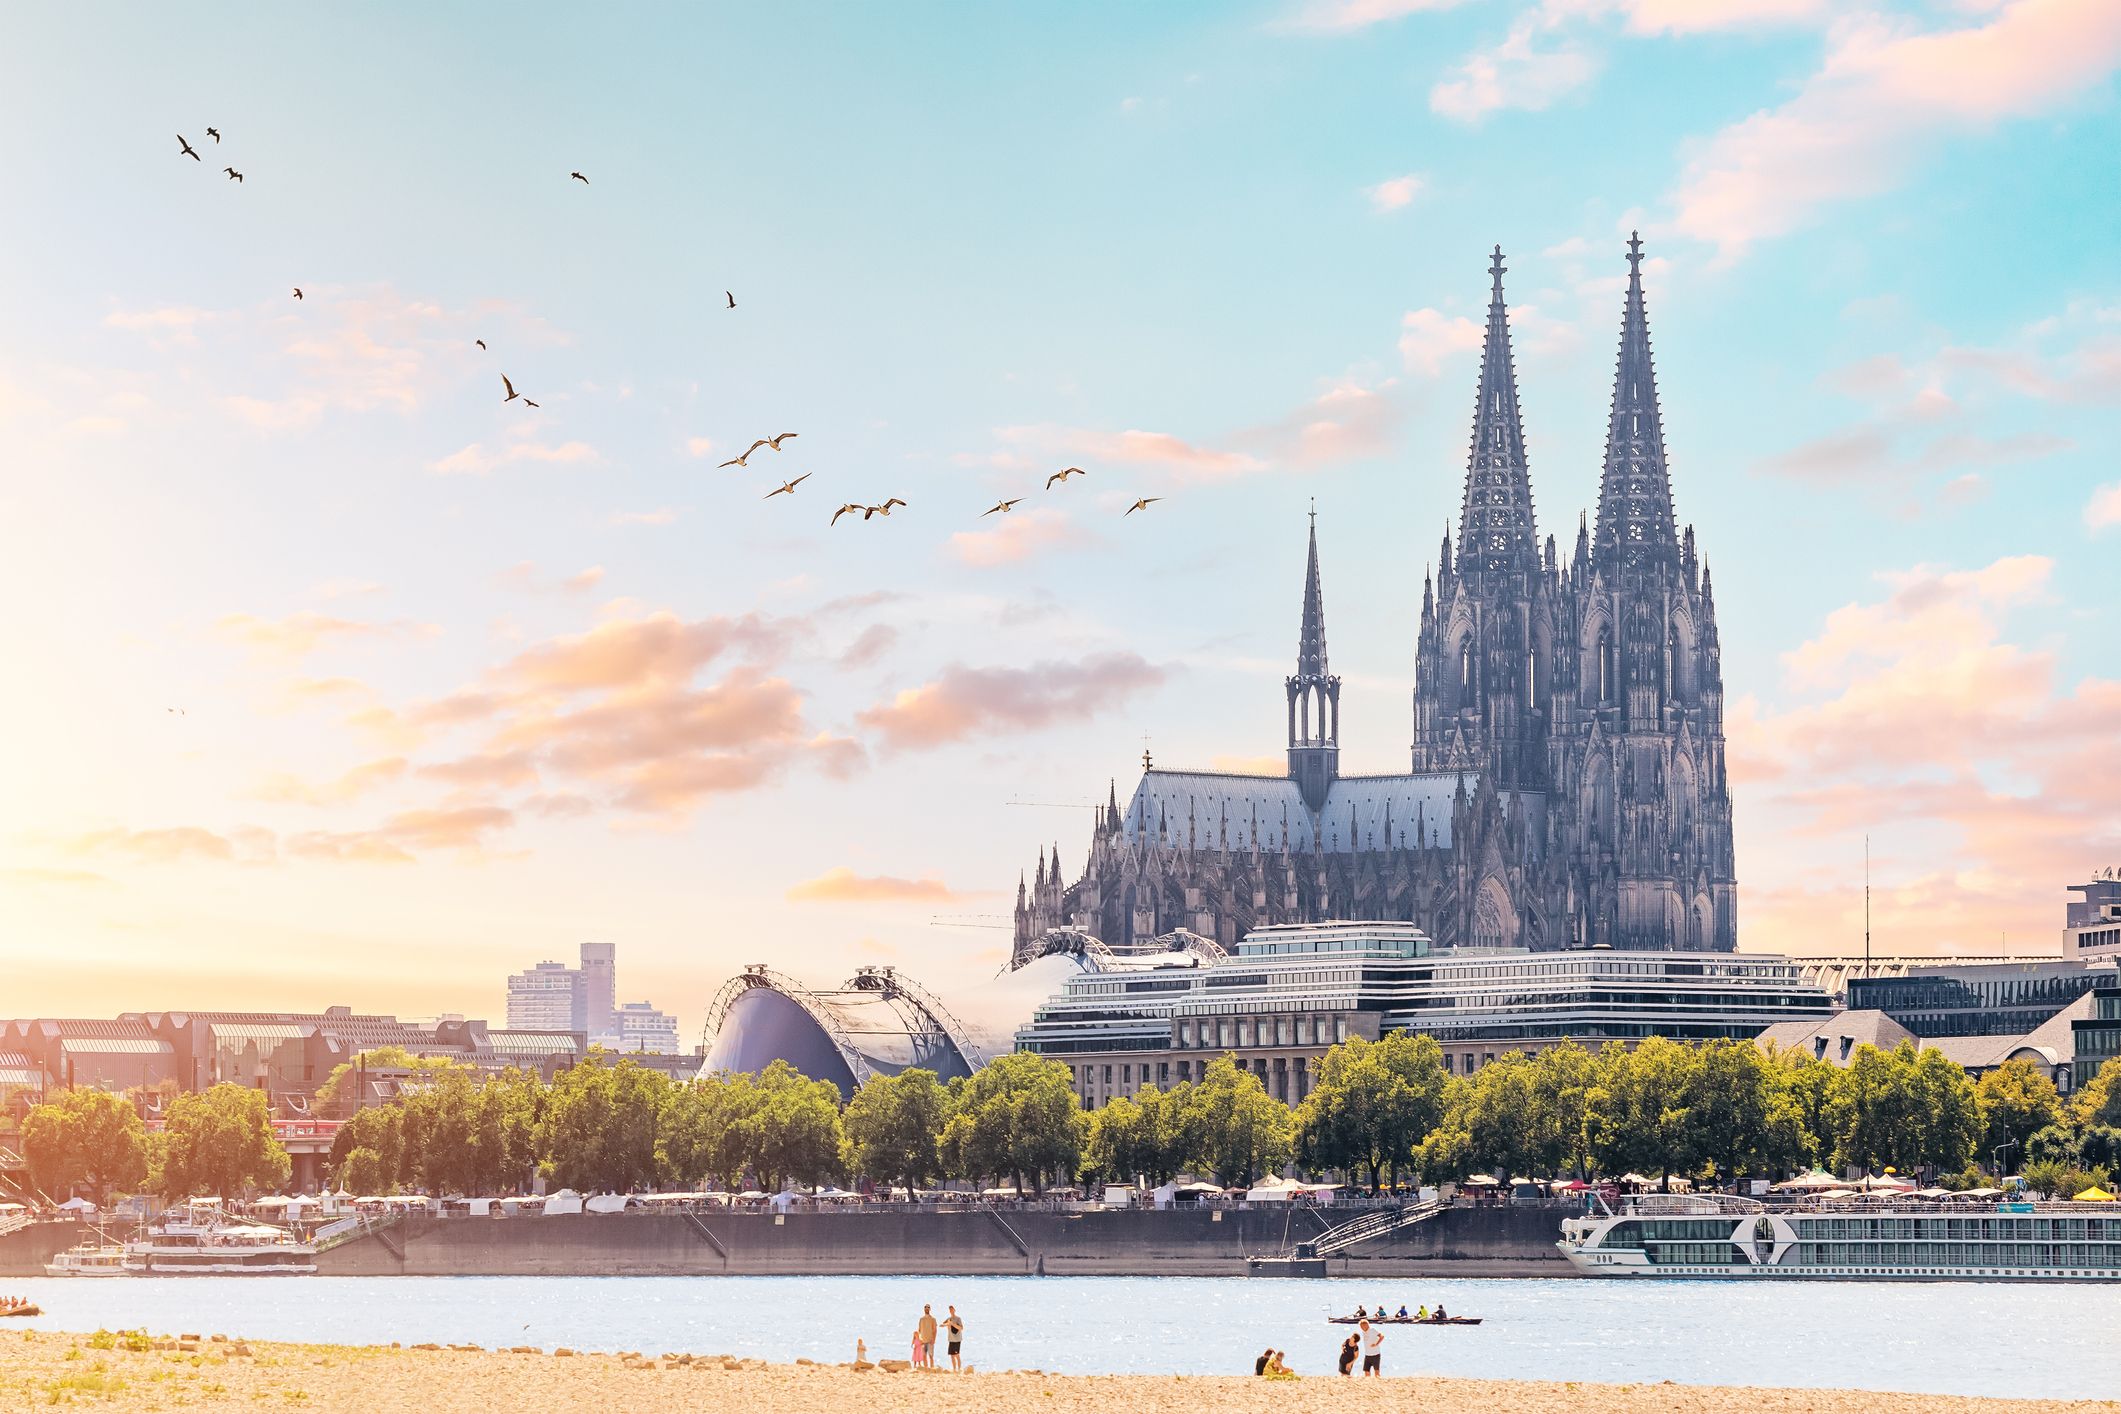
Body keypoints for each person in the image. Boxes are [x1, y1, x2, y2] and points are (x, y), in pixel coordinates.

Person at [917, 1304, 938, 1369]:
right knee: (924, 1356)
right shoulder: (921, 1319)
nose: (927, 1308)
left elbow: (935, 1330)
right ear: (924, 1309)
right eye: (925, 1307)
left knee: (931, 1356)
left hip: (930, 1340)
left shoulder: (933, 1319)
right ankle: (926, 1369)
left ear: (930, 1309)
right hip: (923, 1341)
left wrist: (933, 1340)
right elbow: (919, 1330)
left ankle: (931, 1369)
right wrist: (919, 1339)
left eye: (928, 1307)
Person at [944, 1305, 964, 1373]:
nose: (951, 1310)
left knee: (957, 1355)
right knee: (952, 1356)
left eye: (952, 1309)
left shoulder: (958, 1318)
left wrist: (952, 1324)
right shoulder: (949, 1319)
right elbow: (942, 1324)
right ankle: (954, 1369)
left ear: (954, 1310)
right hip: (951, 1339)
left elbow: (961, 1328)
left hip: (957, 1339)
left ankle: (959, 1369)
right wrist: (947, 1324)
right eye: (950, 1309)